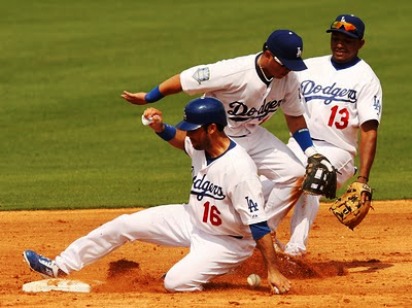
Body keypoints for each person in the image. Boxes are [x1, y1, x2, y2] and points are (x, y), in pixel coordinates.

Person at [23, 97, 291, 294]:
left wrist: (273, 270)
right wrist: (160, 127)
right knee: (126, 224)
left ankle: (209, 269)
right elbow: (180, 139)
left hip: (227, 242)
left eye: (193, 128)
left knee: (175, 282)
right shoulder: (201, 144)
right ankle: (60, 266)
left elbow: (258, 224)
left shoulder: (239, 169)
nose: (189, 133)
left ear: (211, 128)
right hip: (191, 220)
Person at [121, 29, 332, 242]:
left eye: (291, 64)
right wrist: (149, 97)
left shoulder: (289, 79)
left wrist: (311, 152)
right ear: (267, 53)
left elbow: (295, 117)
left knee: (295, 174)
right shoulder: (233, 71)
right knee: (219, 201)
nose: (287, 69)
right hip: (220, 137)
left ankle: (262, 233)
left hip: (252, 133)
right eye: (283, 63)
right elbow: (184, 80)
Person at [279, 14, 383, 256]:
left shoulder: (366, 78)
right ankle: (260, 238)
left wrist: (363, 178)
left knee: (315, 178)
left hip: (339, 151)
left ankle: (295, 249)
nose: (340, 44)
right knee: (270, 182)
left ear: (360, 44)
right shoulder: (310, 67)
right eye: (336, 38)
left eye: (347, 40)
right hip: (301, 144)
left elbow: (369, 130)